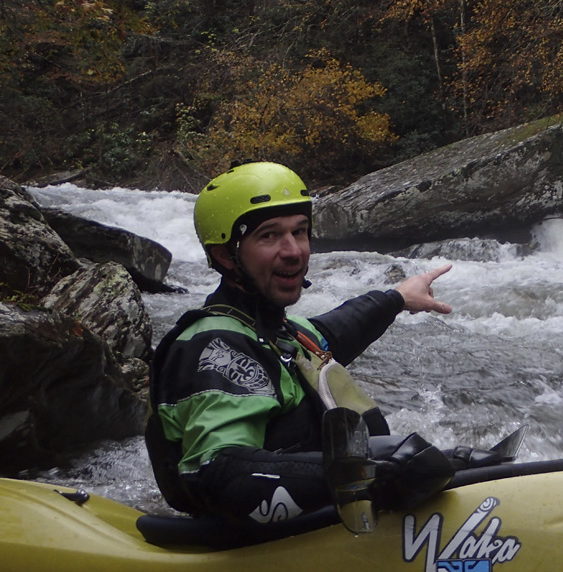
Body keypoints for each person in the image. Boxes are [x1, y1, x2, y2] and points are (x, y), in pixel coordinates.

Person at [145, 161, 476, 528]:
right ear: (225, 254)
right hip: (258, 545)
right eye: (269, 236)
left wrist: (398, 297)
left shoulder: (284, 332)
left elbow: (340, 328)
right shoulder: (215, 346)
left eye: (299, 231)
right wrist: (366, 475)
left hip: (315, 524)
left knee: (461, 461)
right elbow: (218, 471)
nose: (293, 251)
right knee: (405, 458)